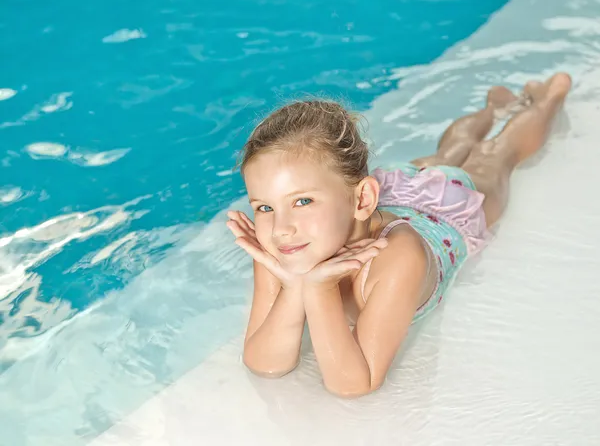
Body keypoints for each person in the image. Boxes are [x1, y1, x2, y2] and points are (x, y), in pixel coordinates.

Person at [226, 72, 572, 398]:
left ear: (360, 199)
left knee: (493, 155)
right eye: (264, 207)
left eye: (302, 201)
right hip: (395, 193)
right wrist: (295, 282)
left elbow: (355, 383)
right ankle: (492, 108)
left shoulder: (398, 257)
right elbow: (264, 364)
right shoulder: (285, 243)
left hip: (446, 211)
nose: (281, 227)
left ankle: (548, 100)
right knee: (446, 153)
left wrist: (316, 289)